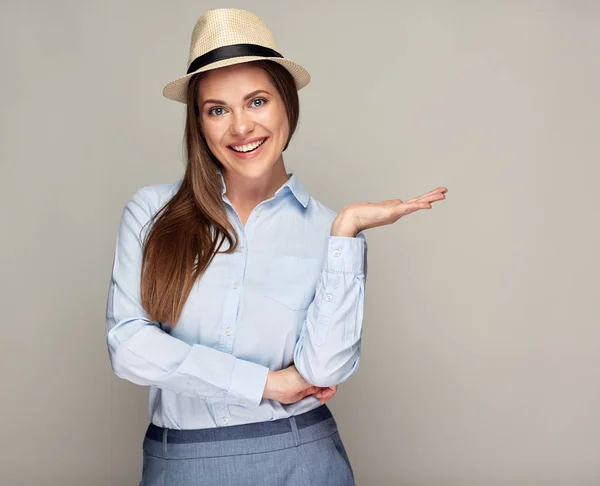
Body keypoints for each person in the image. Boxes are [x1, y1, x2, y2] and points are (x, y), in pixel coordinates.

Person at [105, 8, 447, 486]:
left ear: (287, 103)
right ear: (199, 123)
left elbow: (324, 369)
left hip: (301, 460)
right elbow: (128, 347)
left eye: (257, 101)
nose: (240, 127)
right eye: (217, 109)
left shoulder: (328, 231)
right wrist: (266, 384)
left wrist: (345, 231)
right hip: (180, 464)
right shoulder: (151, 212)